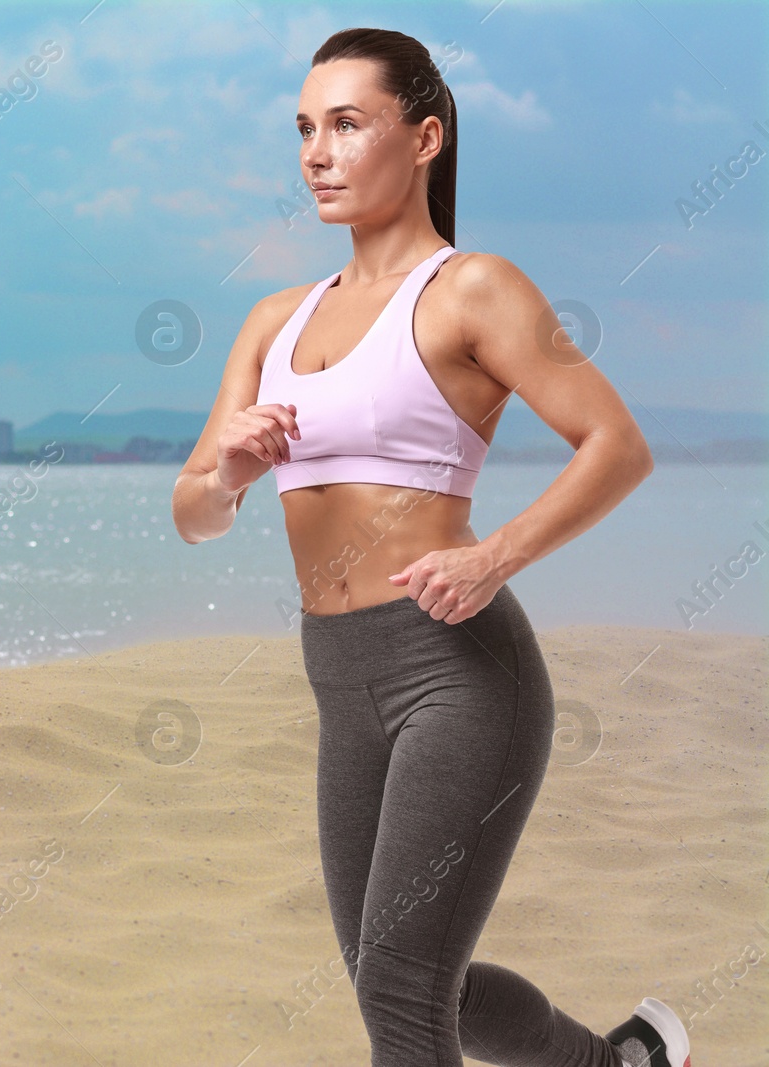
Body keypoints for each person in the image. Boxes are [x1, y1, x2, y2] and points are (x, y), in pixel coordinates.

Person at [170, 26, 691, 1067]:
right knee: (393, 978)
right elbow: (194, 512)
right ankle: (619, 1062)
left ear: (423, 139)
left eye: (347, 124)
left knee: (402, 994)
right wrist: (224, 469)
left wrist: (492, 554)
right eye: (306, 130)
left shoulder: (473, 290)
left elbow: (616, 446)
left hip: (455, 671)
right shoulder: (273, 318)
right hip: (339, 678)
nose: (317, 152)